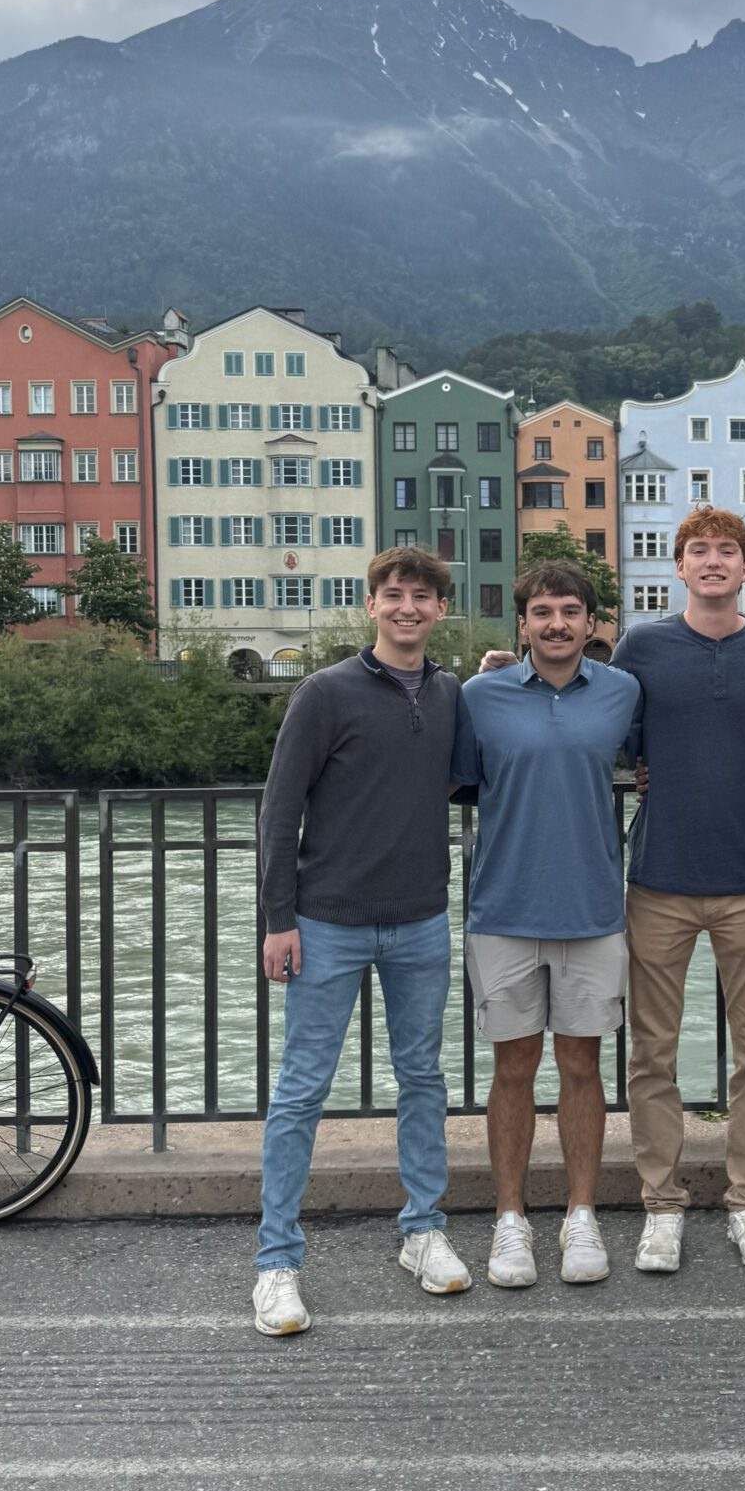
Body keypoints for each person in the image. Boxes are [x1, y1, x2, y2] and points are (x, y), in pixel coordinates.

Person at [252, 545, 476, 1335]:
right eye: (394, 595)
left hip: (419, 917)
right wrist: (278, 919)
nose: (408, 608)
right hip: (326, 921)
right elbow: (279, 812)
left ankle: (423, 1231)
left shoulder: (452, 694)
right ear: (371, 605)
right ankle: (277, 1262)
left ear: (437, 609)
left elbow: (475, 776)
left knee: (423, 1078)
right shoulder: (324, 693)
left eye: (421, 597)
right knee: (301, 1091)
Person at [612, 507, 745, 1275]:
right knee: (651, 1054)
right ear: (679, 567)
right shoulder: (642, 645)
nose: (714, 562)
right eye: (700, 552)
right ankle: (662, 1206)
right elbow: (614, 736)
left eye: (728, 551)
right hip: (657, 878)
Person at [461, 559, 643, 1287]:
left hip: (593, 908)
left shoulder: (624, 692)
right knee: (512, 1070)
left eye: (571, 611)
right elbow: (451, 781)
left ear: (593, 624)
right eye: (543, 612)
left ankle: (580, 1215)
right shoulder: (479, 695)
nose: (557, 624)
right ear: (524, 623)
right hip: (502, 908)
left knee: (581, 1067)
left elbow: (657, 757)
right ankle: (510, 1220)